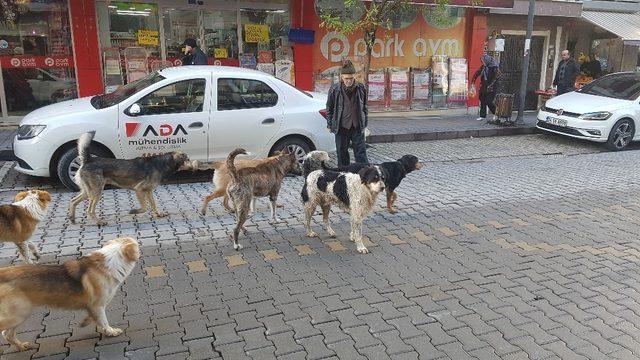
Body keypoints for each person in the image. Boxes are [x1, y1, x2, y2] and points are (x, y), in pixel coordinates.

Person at [325, 60, 369, 167]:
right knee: (342, 153)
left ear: (355, 77)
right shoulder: (335, 89)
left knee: (361, 154)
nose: (348, 81)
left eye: (351, 78)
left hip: (357, 126)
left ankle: (364, 176)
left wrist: (364, 124)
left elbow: (364, 107)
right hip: (341, 126)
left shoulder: (361, 88)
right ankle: (343, 176)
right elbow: (329, 108)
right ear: (341, 77)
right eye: (346, 78)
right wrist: (330, 124)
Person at [471, 54, 500, 122]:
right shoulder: (484, 67)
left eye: (483, 61)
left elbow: (497, 77)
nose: (482, 62)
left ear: (487, 60)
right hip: (484, 85)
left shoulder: (494, 67)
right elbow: (477, 73)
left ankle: (496, 113)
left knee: (489, 101)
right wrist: (473, 82)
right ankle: (482, 116)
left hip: (492, 87)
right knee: (482, 100)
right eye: (482, 61)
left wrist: (491, 85)